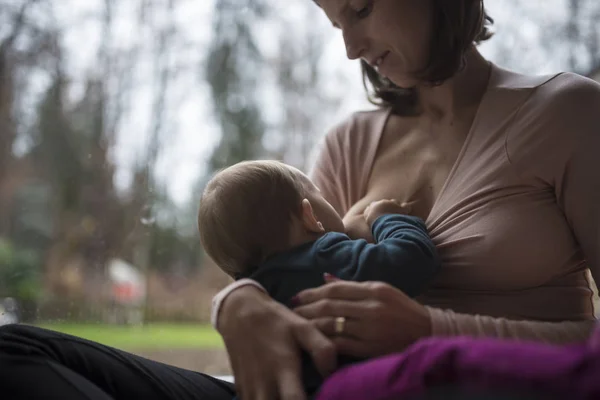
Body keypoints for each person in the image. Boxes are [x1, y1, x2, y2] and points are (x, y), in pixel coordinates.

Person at [0, 0, 598, 399]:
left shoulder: (566, 114)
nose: (351, 47)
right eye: (336, 22)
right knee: (13, 352)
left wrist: (431, 329)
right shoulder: (351, 141)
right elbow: (293, 264)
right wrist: (236, 302)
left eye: (360, 8)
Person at [197, 160, 440, 395]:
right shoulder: (327, 253)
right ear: (310, 216)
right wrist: (387, 218)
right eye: (321, 195)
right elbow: (412, 260)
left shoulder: (255, 291)